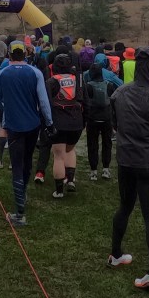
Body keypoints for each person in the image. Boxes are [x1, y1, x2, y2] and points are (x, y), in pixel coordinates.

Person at [108, 46, 149, 290]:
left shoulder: (120, 93)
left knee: (125, 206)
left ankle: (116, 254)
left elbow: (115, 124)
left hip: (126, 160)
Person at [0, 40, 53, 226]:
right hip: (33, 125)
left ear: (9, 55)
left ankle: (19, 213)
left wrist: (4, 111)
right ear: (26, 54)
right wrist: (49, 122)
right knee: (27, 161)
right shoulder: (35, 73)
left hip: (14, 126)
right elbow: (43, 102)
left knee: (17, 165)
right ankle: (23, 193)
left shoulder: (2, 74)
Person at [46, 52, 84, 198]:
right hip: (76, 121)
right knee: (70, 150)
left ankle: (59, 191)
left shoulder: (51, 81)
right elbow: (82, 99)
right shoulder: (77, 79)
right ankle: (71, 180)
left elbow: (47, 103)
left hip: (59, 122)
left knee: (58, 156)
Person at [83, 62, 118, 181]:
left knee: (92, 144)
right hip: (106, 118)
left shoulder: (88, 86)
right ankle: (106, 169)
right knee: (107, 143)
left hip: (92, 118)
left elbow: (86, 102)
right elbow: (113, 102)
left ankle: (93, 171)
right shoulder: (109, 85)